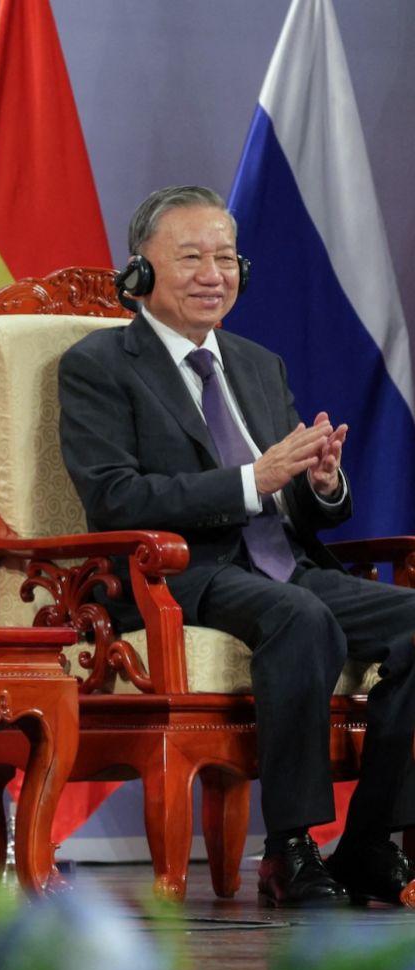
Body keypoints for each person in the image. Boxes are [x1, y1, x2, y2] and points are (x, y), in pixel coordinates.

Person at [58, 185, 415, 908]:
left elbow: (304, 509)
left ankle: (371, 840)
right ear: (140, 273)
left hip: (286, 564)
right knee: (298, 616)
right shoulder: (99, 366)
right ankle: (289, 848)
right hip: (181, 573)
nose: (213, 274)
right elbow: (115, 499)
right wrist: (255, 478)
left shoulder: (257, 362)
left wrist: (318, 481)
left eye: (225, 257)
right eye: (190, 256)